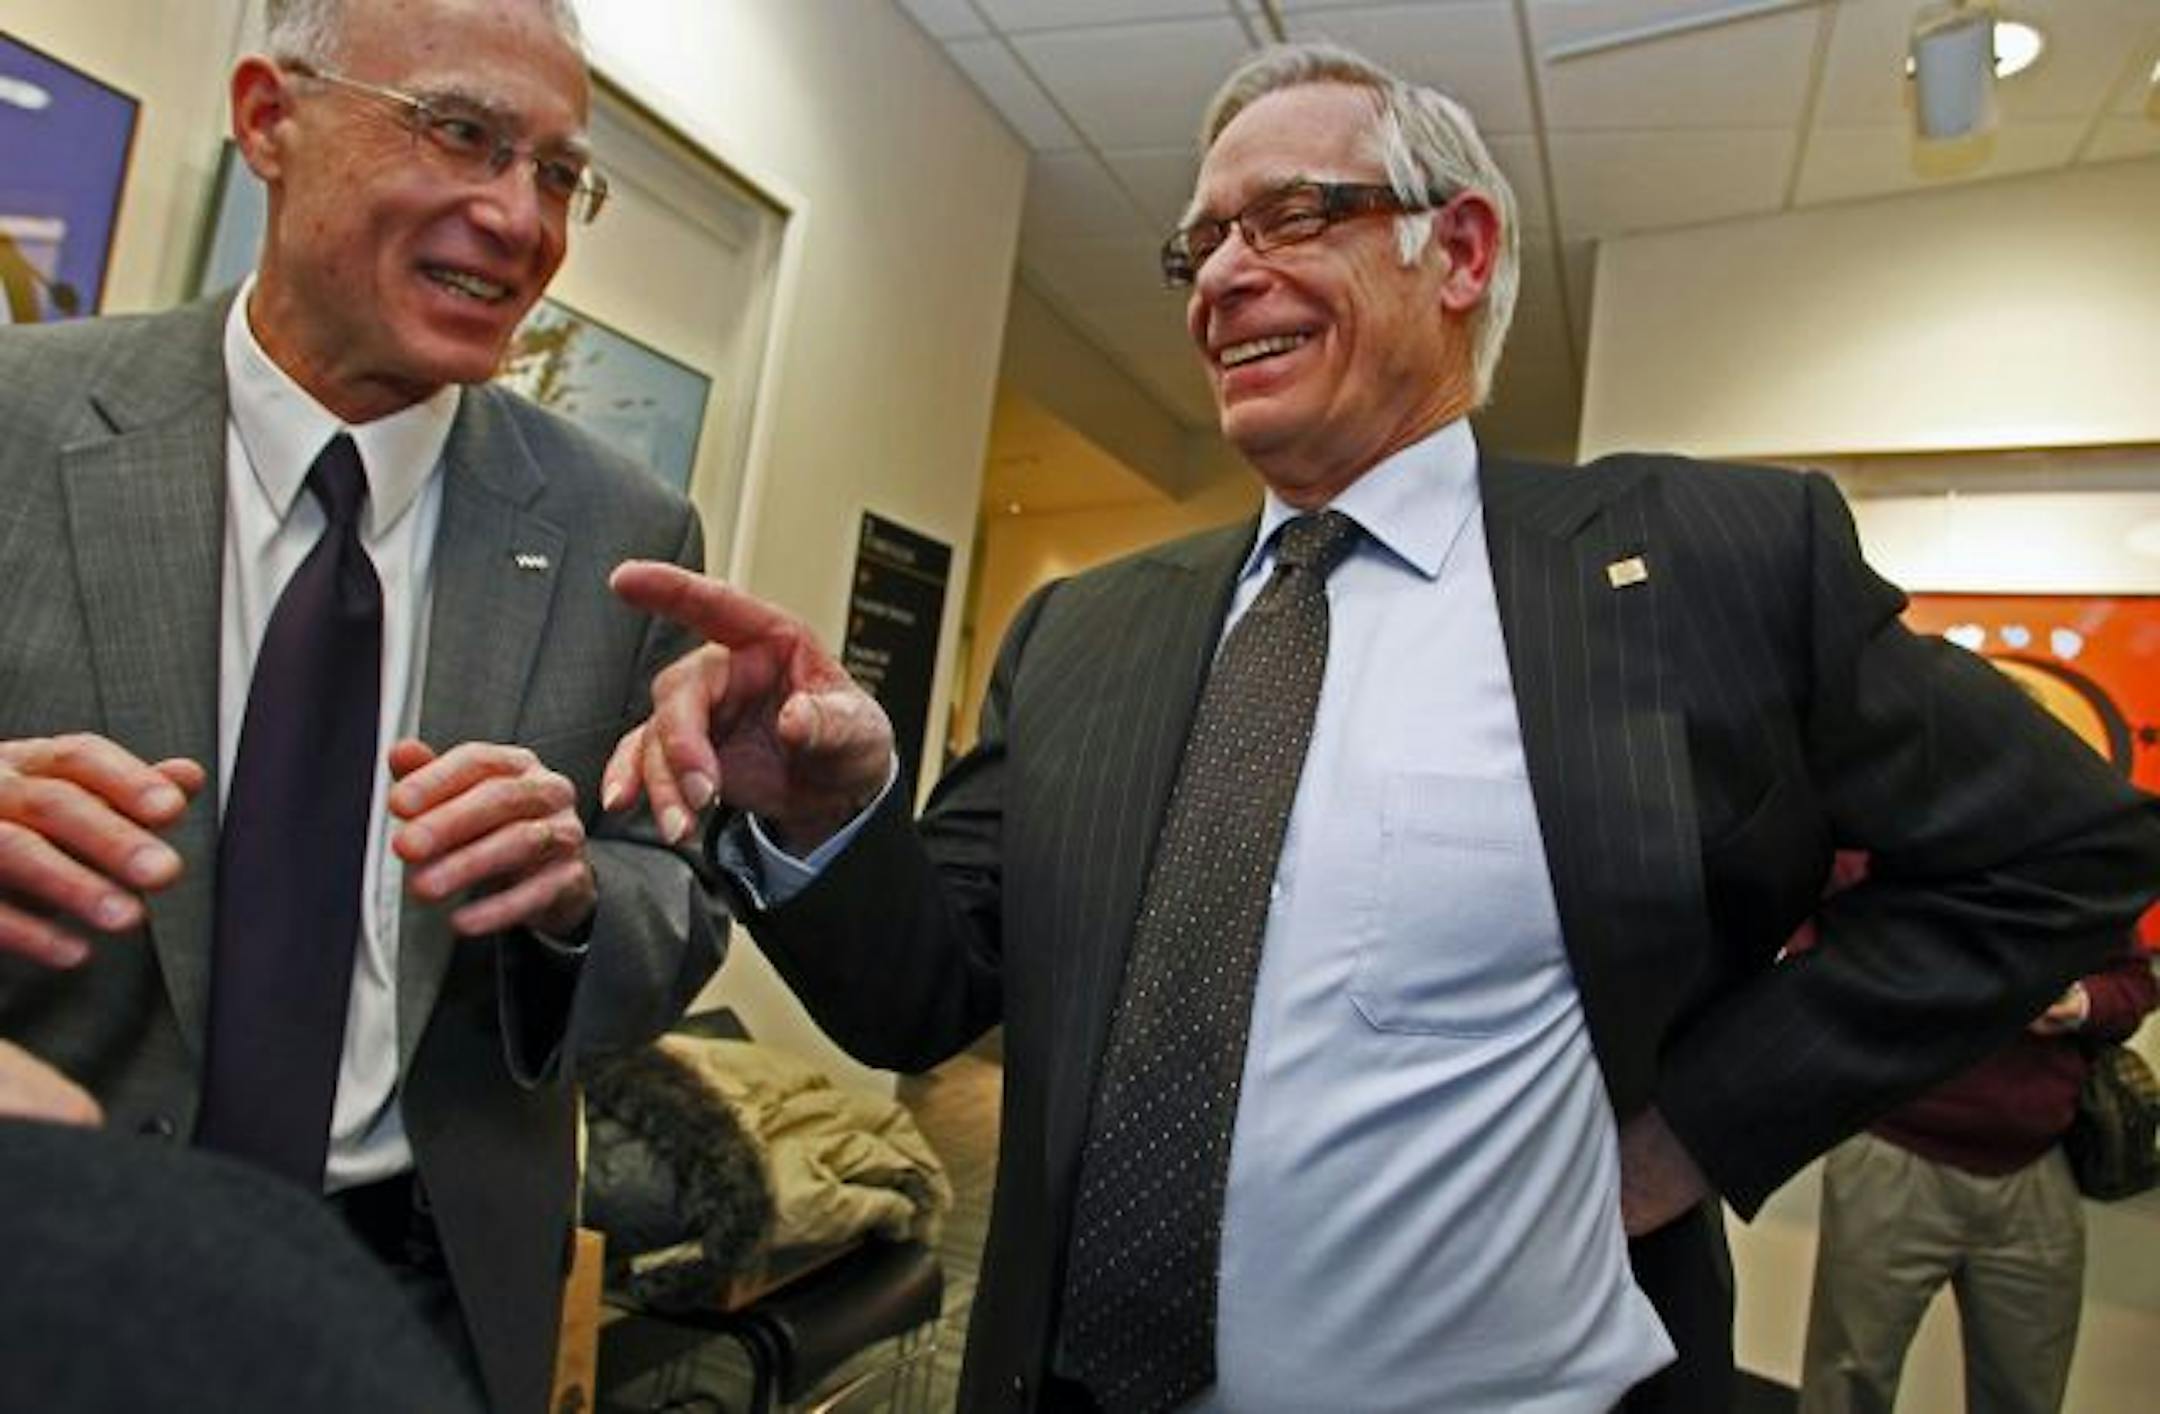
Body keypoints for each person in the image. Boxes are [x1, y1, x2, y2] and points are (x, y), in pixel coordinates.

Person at [604, 42, 2160, 1414]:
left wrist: (1699, 1125)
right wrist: (827, 810)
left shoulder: (1696, 564)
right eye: (1201, 241)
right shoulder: (1086, 632)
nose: (1220, 276)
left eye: (1291, 216)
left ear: (1460, 249)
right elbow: (925, 995)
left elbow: (2066, 850)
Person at [0, 1, 726, 1409]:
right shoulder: (20, 427)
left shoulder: (621, 531)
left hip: (421, 1302)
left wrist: (574, 897)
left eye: (560, 174)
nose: (520, 217)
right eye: (463, 133)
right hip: (43, 1251)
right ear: (272, 118)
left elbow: (675, 906)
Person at [1800, 948, 2158, 1413]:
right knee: (1846, 1386)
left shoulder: (2078, 876)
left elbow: (2133, 983)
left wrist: (2081, 1003)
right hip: (1894, 1152)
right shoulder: (1879, 871)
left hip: (2034, 1167)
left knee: (2025, 1394)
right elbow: (1816, 952)